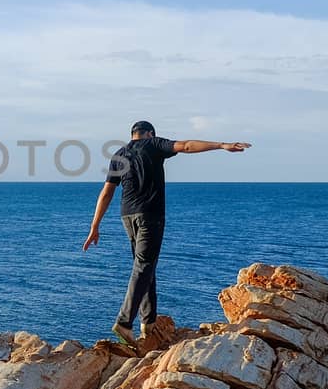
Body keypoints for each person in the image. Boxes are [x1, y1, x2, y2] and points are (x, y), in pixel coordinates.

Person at [83, 121, 251, 353]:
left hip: (127, 216)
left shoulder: (119, 154)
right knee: (143, 265)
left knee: (145, 265)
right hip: (149, 215)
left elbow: (107, 192)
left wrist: (95, 226)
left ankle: (148, 322)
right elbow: (187, 146)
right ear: (150, 133)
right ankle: (124, 323)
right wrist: (221, 145)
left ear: (133, 135)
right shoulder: (154, 144)